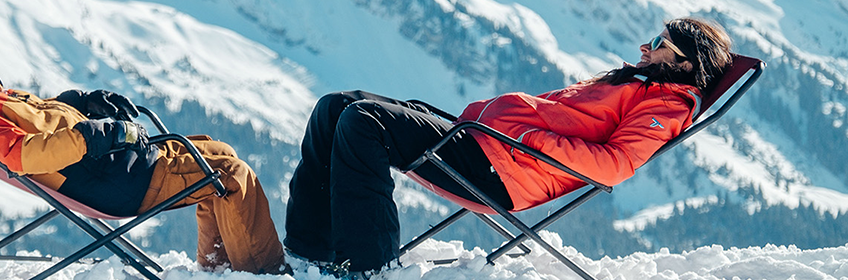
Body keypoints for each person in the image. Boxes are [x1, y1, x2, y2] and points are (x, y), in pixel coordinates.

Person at [284, 17, 734, 276]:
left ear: (686, 64)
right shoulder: (643, 85)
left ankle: (368, 265)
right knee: (335, 106)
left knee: (363, 122)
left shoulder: (666, 105)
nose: (645, 46)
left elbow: (615, 166)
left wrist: (531, 138)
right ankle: (309, 252)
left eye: (658, 44)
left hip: (500, 168)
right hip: (484, 143)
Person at [0, 24, 286, 274]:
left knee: (217, 152)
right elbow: (23, 154)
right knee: (231, 176)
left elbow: (42, 121)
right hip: (114, 177)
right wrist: (95, 136)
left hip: (112, 164)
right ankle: (264, 274)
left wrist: (79, 102)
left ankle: (220, 268)